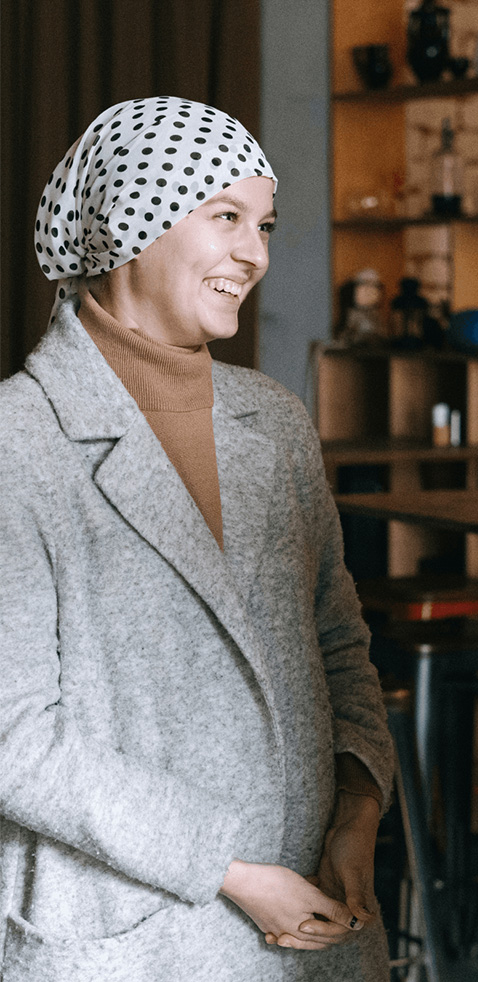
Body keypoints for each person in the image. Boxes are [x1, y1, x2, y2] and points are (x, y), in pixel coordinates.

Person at [0, 96, 394, 982]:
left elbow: (342, 647)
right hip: (126, 937)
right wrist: (232, 873)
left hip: (312, 922)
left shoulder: (278, 423)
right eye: (226, 217)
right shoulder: (16, 441)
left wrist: (358, 814)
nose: (254, 253)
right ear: (134, 216)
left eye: (264, 224)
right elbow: (13, 735)